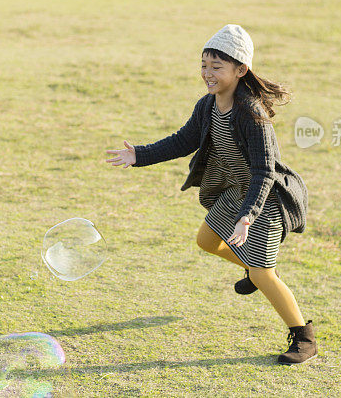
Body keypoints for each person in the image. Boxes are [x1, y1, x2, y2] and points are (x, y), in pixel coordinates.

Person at [105, 24, 317, 365]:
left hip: (265, 197)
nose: (207, 73)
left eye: (216, 66)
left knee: (264, 272)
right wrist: (139, 155)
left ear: (240, 70)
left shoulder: (252, 115)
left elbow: (265, 172)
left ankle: (303, 336)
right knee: (207, 240)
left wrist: (248, 217)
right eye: (204, 64)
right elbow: (183, 140)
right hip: (235, 190)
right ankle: (254, 271)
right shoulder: (207, 106)